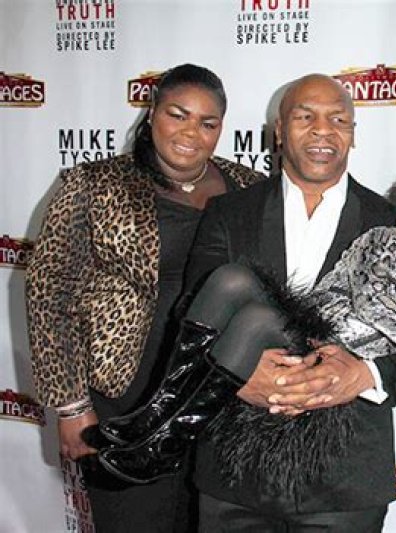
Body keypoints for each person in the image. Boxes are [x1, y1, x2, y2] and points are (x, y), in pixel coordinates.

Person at [93, 164, 396, 490]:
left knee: (258, 318)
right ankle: (160, 415)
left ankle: (169, 437)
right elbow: (374, 304)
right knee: (231, 279)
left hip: (322, 360)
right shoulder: (385, 245)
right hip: (312, 327)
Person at [175, 72, 396, 533]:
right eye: (305, 117)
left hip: (344, 481)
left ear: (353, 134)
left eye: (338, 120)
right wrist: (233, 377)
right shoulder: (229, 213)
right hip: (235, 474)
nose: (323, 130)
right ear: (278, 132)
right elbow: (191, 314)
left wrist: (365, 374)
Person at [25, 63, 263, 533]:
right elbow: (49, 292)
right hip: (123, 400)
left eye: (208, 123)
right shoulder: (94, 184)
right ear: (152, 112)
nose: (191, 133)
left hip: (218, 399)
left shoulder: (250, 187)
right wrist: (71, 407)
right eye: (178, 114)